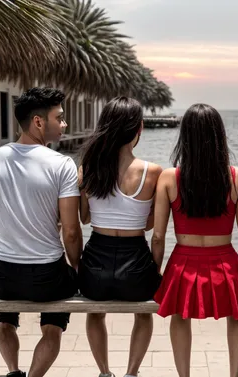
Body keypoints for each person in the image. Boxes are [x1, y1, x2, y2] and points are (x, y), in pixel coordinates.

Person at [151, 103, 238, 377]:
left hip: (183, 263)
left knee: (180, 318)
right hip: (225, 264)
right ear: (220, 136)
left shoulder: (170, 177)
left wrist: (155, 274)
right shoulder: (237, 177)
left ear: (185, 137)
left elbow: (158, 237)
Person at [0, 87, 81, 377]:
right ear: (38, 122)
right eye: (59, 118)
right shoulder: (62, 165)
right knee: (52, 327)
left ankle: (13, 371)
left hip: (3, 275)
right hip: (48, 277)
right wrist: (77, 268)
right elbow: (71, 231)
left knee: (5, 321)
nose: (64, 124)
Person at [78, 97, 163, 377]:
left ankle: (104, 372)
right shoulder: (153, 172)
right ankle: (132, 373)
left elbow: (84, 218)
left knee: (94, 311)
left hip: (94, 269)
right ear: (139, 128)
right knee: (144, 313)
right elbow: (153, 229)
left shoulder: (88, 169)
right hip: (136, 267)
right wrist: (155, 271)